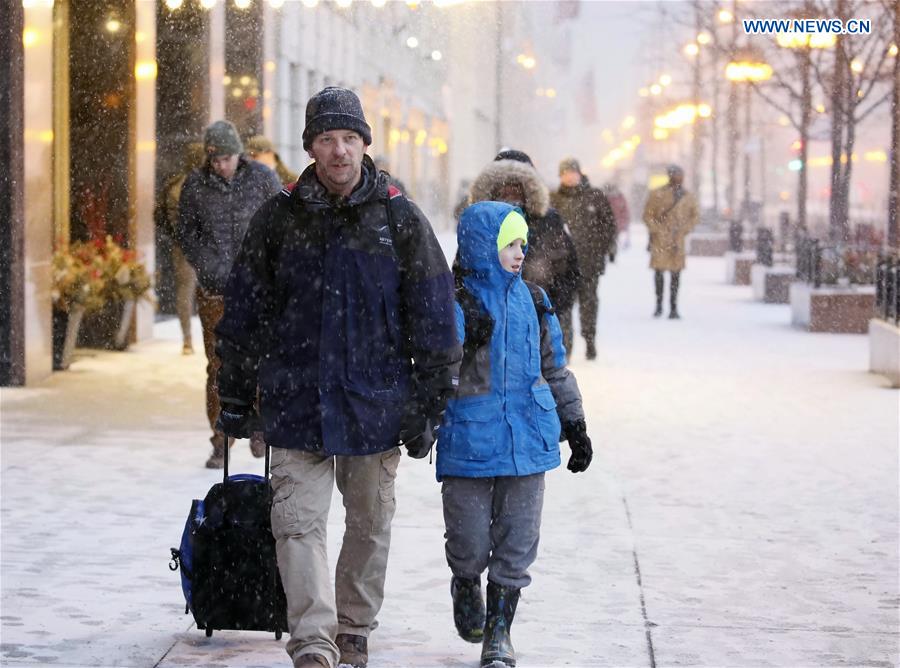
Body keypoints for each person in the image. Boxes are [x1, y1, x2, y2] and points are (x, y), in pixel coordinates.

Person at [213, 87, 462, 668]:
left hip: (375, 404)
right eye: (327, 139)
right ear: (310, 147)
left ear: (365, 144)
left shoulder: (398, 218)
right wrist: (234, 395)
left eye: (349, 138)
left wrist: (431, 403)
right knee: (296, 524)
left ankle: (353, 627)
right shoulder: (278, 218)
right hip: (295, 401)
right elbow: (245, 312)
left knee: (369, 524)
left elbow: (433, 312)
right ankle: (313, 642)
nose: (339, 151)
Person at [438, 200, 592, 668]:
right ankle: (465, 582)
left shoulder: (536, 300)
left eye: (523, 243)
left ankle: (499, 635)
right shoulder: (456, 300)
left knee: (518, 541)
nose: (520, 252)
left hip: (529, 439)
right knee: (467, 541)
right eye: (510, 243)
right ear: (486, 245)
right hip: (470, 440)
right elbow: (435, 366)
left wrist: (575, 422)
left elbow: (555, 368)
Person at [176, 120, 282, 468]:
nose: (221, 165)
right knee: (219, 366)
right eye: (215, 159)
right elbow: (186, 232)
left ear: (239, 153)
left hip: (258, 291)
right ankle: (221, 438)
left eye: (227, 158)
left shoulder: (263, 179)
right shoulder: (195, 185)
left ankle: (259, 428)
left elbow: (281, 223)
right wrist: (208, 265)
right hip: (215, 290)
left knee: (262, 361)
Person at [468, 149, 580, 356]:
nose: (510, 194)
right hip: (487, 334)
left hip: (537, 327)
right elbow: (463, 274)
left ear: (530, 188)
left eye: (517, 187)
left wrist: (550, 312)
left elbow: (568, 272)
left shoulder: (549, 221)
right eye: (504, 187)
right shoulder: (479, 223)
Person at [550, 158, 617, 360]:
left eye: (572, 172)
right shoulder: (553, 199)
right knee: (563, 306)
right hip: (561, 266)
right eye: (565, 173)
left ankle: (589, 340)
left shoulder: (594, 196)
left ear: (580, 174)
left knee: (589, 303)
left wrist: (602, 248)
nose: (569, 176)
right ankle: (566, 346)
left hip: (589, 262)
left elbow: (609, 225)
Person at [154, 142, 205, 355]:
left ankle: (187, 339)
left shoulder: (174, 184)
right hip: (204, 247)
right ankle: (208, 335)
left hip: (181, 247)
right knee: (209, 293)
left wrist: (175, 235)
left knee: (185, 292)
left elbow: (159, 215)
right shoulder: (202, 185)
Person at [642, 164, 699, 319]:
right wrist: (657, 229)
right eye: (676, 175)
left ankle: (673, 307)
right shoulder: (657, 194)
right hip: (660, 240)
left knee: (676, 275)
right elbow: (648, 215)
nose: (678, 178)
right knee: (658, 273)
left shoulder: (688, 196)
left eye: (680, 175)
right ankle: (659, 305)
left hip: (677, 240)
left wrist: (684, 229)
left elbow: (695, 216)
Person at [602, 181, 631, 250]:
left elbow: (624, 211)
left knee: (612, 239)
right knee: (610, 239)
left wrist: (623, 222)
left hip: (614, 223)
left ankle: (612, 251)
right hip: (608, 223)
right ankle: (610, 251)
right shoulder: (603, 197)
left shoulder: (619, 197)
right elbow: (625, 211)